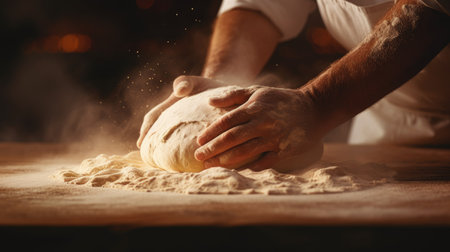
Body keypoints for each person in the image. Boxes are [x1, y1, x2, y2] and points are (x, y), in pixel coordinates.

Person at [137, 0, 450, 171]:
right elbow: (258, 4)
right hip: (390, 124)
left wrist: (314, 105)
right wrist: (222, 87)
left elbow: (432, 10)